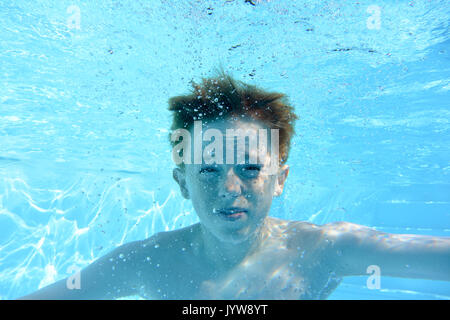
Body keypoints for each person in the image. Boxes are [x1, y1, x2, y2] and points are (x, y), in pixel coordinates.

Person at [19, 70, 450, 300]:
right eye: (207, 170)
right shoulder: (146, 262)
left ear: (279, 180)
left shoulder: (323, 251)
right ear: (182, 183)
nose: (228, 187)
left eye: (249, 168)